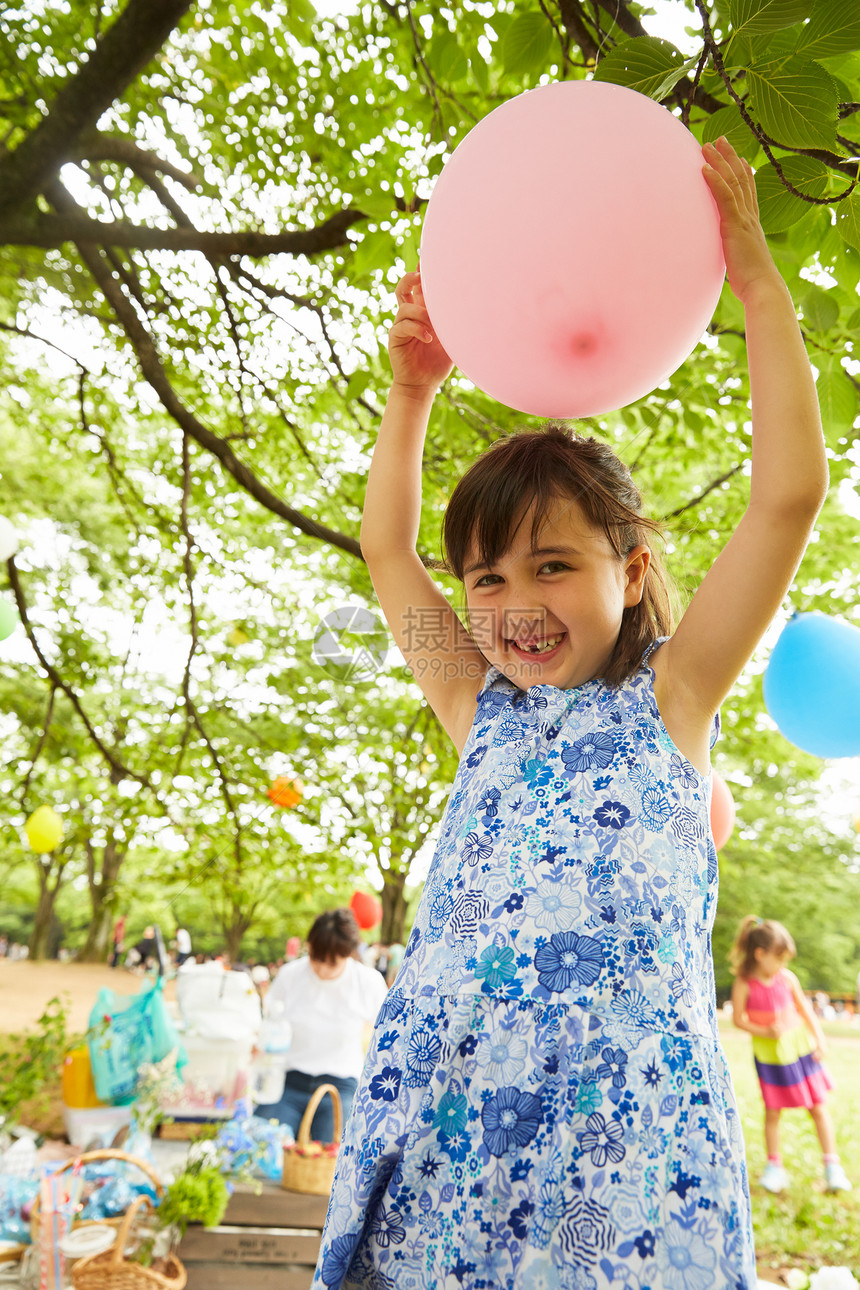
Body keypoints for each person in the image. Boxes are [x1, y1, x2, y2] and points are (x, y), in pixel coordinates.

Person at [312, 136, 828, 1290]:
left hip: (619, 1152)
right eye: (487, 579)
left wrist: (753, 284)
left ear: (631, 569)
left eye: (552, 566)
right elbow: (386, 546)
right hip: (448, 1131)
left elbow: (788, 496)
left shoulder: (674, 695)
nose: (512, 605)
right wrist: (410, 389)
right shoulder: (474, 704)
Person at [729, 916, 851, 1195]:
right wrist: (764, 1030)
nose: (783, 965)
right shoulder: (744, 983)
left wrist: (820, 1040)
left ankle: (833, 1167)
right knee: (773, 1111)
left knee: (818, 1107)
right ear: (760, 954)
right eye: (779, 958)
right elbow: (738, 1019)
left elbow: (806, 1011)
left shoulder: (787, 979)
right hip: (771, 1057)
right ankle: (775, 1168)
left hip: (801, 1052)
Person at [263, 909, 388, 1143]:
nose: (320, 969)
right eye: (315, 958)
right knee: (262, 1145)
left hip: (340, 1088)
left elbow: (388, 1038)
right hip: (288, 1083)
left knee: (333, 1156)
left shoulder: (367, 981)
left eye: (331, 963)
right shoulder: (291, 975)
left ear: (348, 954)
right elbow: (269, 1023)